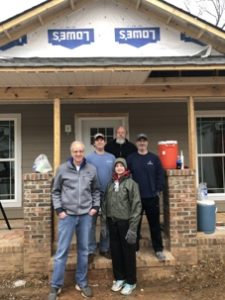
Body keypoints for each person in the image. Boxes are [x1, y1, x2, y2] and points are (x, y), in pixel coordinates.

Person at [48, 141, 100, 300]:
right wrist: (59, 210)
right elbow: (55, 191)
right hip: (67, 216)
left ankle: (82, 282)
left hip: (85, 216)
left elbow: (96, 190)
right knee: (62, 251)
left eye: (81, 151)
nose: (78, 154)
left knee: (83, 251)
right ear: (71, 152)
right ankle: (55, 286)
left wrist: (95, 207)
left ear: (84, 152)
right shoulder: (63, 169)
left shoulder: (91, 169)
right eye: (75, 151)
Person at [101, 157, 142, 296]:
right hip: (113, 223)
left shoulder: (131, 184)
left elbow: (137, 207)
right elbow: (105, 204)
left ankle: (131, 281)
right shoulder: (110, 184)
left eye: (121, 165)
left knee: (128, 253)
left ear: (125, 168)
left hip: (126, 224)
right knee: (116, 252)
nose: (119, 168)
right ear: (114, 168)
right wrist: (103, 224)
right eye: (117, 166)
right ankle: (119, 278)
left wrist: (133, 228)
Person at [127, 133, 166, 261]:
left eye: (144, 140)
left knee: (154, 225)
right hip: (136, 198)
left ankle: (158, 249)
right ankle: (134, 249)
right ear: (136, 143)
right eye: (139, 141)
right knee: (135, 225)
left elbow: (160, 175)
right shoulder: (131, 158)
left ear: (147, 143)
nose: (142, 143)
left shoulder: (154, 159)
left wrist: (158, 189)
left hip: (151, 197)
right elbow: (126, 176)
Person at [86, 133, 115, 262]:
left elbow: (116, 174)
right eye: (97, 140)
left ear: (104, 142)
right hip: (92, 195)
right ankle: (91, 250)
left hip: (108, 194)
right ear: (94, 143)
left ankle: (104, 248)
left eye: (101, 140)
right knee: (90, 223)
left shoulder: (111, 157)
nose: (99, 142)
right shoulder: (88, 158)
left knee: (106, 223)